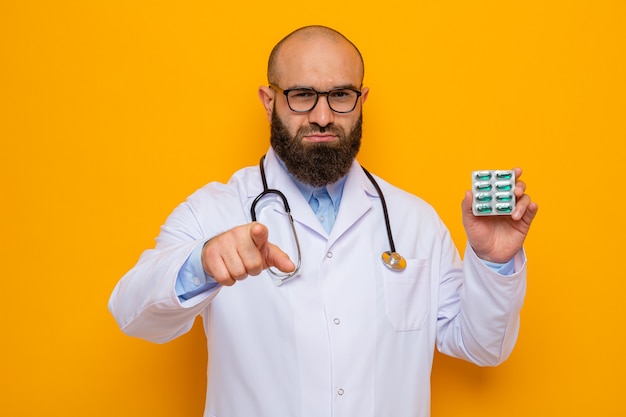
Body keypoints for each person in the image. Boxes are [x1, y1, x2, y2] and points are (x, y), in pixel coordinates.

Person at [108, 25, 539, 417]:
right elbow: (133, 314)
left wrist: (491, 262)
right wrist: (201, 265)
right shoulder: (214, 210)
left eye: (340, 95)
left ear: (361, 100)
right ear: (269, 100)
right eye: (301, 94)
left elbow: (483, 346)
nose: (321, 115)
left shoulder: (414, 221)